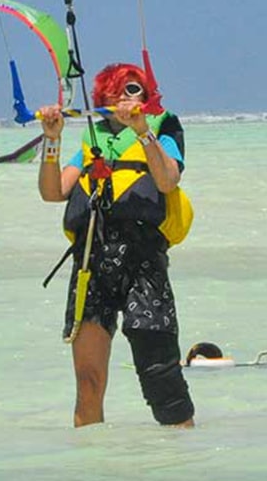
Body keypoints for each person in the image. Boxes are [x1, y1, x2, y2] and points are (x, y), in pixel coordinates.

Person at [36, 62, 195, 428]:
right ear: (104, 97)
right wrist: (52, 138)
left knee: (160, 376)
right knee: (88, 381)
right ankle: (93, 470)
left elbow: (168, 181)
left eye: (136, 89)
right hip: (92, 262)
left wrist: (142, 131)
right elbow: (52, 192)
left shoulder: (162, 128)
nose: (127, 97)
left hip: (142, 262)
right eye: (120, 90)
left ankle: (181, 463)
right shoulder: (93, 139)